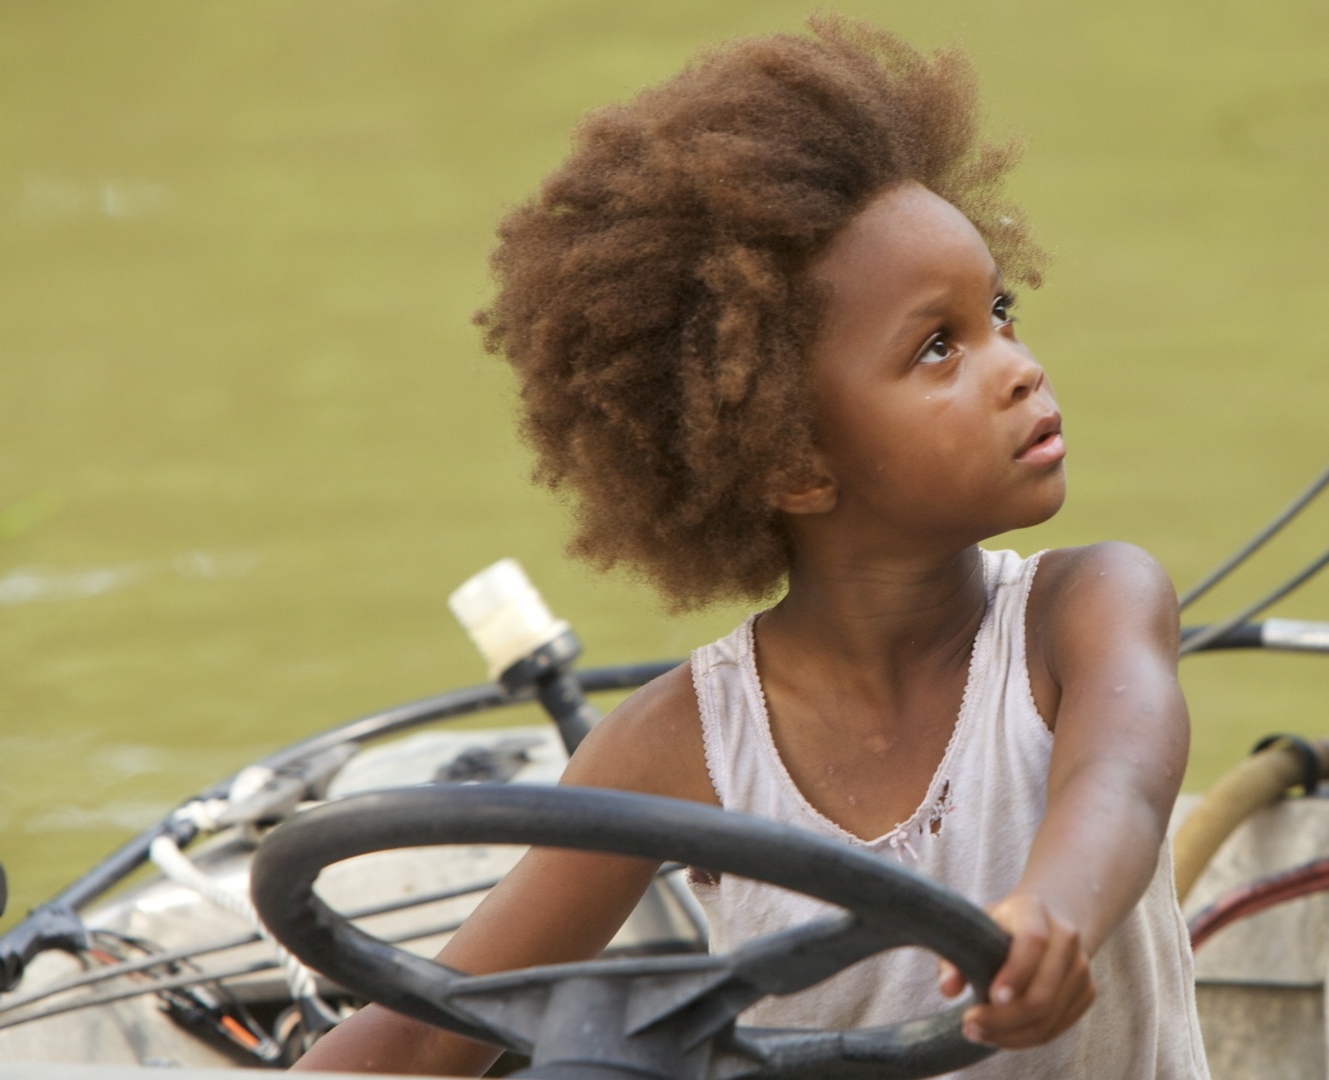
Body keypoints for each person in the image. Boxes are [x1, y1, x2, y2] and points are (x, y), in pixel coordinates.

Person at [295, 16, 1207, 1078]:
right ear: (793, 465)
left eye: (998, 312)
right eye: (938, 347)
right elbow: (432, 1028)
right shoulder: (685, 742)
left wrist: (1055, 911)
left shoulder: (1084, 610)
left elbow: (1126, 786)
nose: (1019, 366)